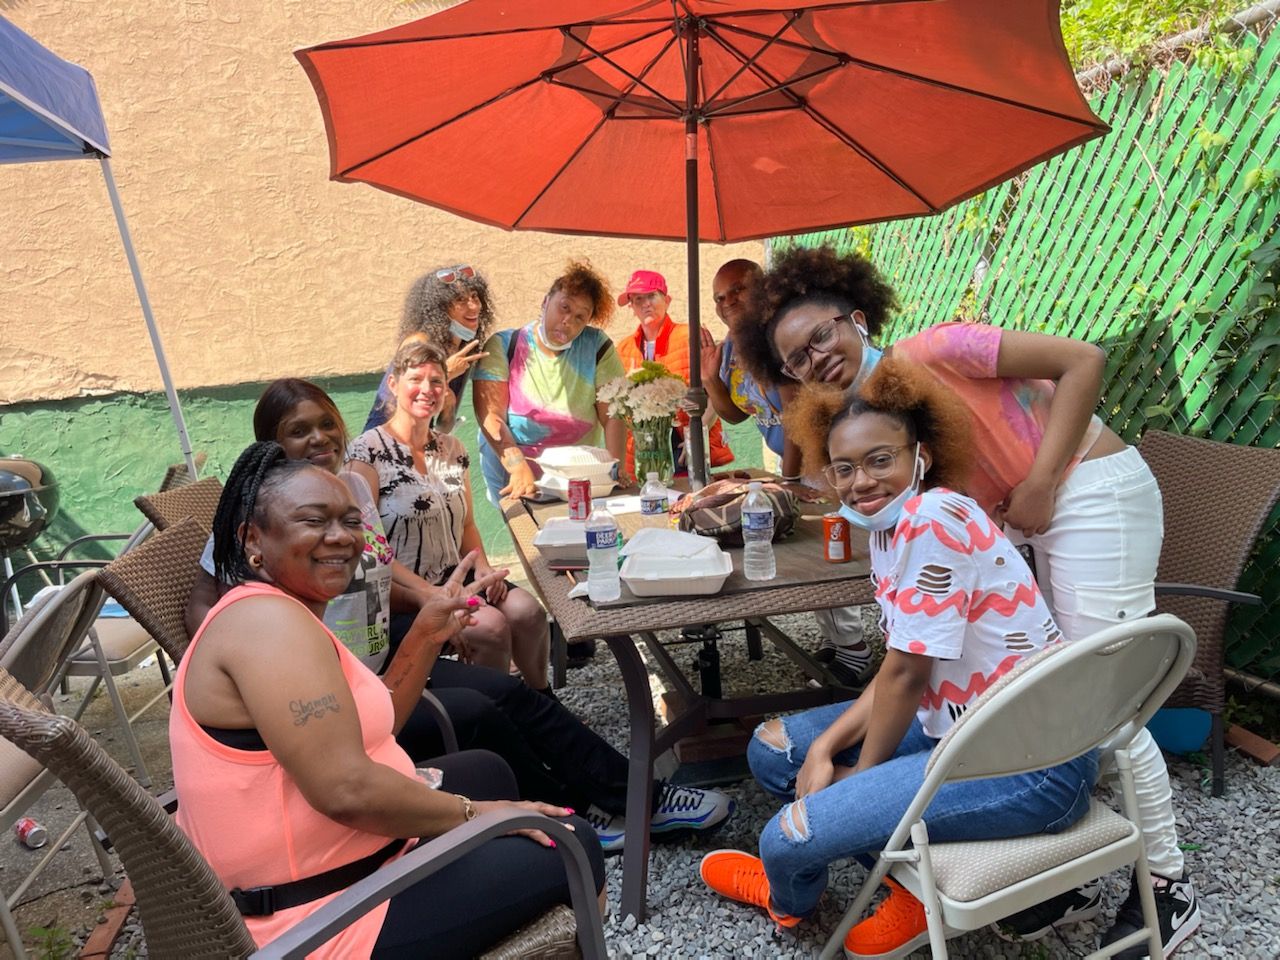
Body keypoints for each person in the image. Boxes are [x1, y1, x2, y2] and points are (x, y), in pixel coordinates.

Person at [733, 244, 1199, 958]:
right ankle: (1022, 879)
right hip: (1009, 519)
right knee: (1024, 680)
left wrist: (1044, 481)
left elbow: (1083, 362)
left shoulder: (938, 350)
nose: (814, 357)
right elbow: (922, 650)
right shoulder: (880, 438)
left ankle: (1165, 885)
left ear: (856, 317)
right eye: (795, 358)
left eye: (821, 334)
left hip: (1087, 485)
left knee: (1099, 697)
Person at [186, 382, 734, 852]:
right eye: (298, 430)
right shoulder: (254, 516)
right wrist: (248, 683)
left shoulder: (351, 489)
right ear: (269, 445)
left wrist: (434, 606)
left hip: (372, 661)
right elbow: (205, 609)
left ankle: (629, 798)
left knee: (513, 696)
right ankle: (586, 809)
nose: (319, 439)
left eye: (327, 424)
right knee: (483, 707)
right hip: (336, 698)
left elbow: (379, 573)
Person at [700, 358, 1099, 958]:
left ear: (922, 456)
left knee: (784, 841)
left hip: (1034, 765)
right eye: (844, 468)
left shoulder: (931, 520)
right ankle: (901, 874)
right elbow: (900, 668)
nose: (861, 481)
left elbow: (908, 675)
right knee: (776, 748)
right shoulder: (894, 526)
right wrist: (826, 748)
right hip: (966, 724)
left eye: (880, 460)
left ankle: (796, 902)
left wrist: (856, 781)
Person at [172, 440, 605, 959]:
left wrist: (424, 634)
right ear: (252, 541)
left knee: (489, 767)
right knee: (573, 841)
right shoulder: (268, 627)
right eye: (314, 521)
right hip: (315, 919)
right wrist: (479, 814)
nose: (339, 538)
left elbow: (369, 727)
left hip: (335, 862)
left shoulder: (276, 610)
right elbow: (346, 790)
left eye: (350, 522)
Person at [702, 259, 870, 685]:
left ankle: (854, 649)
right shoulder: (732, 349)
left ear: (763, 286)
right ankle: (836, 638)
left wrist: (790, 481)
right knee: (812, 545)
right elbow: (738, 414)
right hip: (794, 464)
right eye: (720, 297)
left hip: (819, 456)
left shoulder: (779, 339)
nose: (727, 302)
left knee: (825, 550)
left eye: (738, 289)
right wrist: (711, 381)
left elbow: (798, 415)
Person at [350, 340, 551, 692]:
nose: (427, 389)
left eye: (437, 381)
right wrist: (431, 594)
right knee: (490, 627)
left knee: (528, 613)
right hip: (399, 592)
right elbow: (371, 549)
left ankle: (542, 703)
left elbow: (468, 524)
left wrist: (483, 567)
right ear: (394, 385)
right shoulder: (367, 452)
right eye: (416, 379)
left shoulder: (452, 448)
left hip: (452, 575)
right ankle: (495, 719)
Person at [472, 260, 629, 506]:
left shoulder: (597, 346)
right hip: (515, 469)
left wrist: (615, 467)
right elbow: (491, 417)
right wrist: (516, 466)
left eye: (580, 317)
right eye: (564, 307)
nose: (568, 320)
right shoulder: (504, 345)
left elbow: (613, 416)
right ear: (546, 301)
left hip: (577, 475)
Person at [614, 268, 733, 477]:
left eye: (651, 296)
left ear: (667, 300)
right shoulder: (623, 349)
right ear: (631, 306)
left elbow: (717, 389)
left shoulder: (690, 335)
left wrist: (695, 438)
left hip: (684, 448)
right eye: (637, 299)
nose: (645, 304)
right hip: (644, 455)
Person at [364, 264, 495, 433]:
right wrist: (445, 374)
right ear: (440, 309)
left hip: (422, 448)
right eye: (460, 300)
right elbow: (389, 411)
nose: (474, 306)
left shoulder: (463, 349)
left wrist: (448, 408)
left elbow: (443, 429)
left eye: (474, 296)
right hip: (382, 446)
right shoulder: (418, 343)